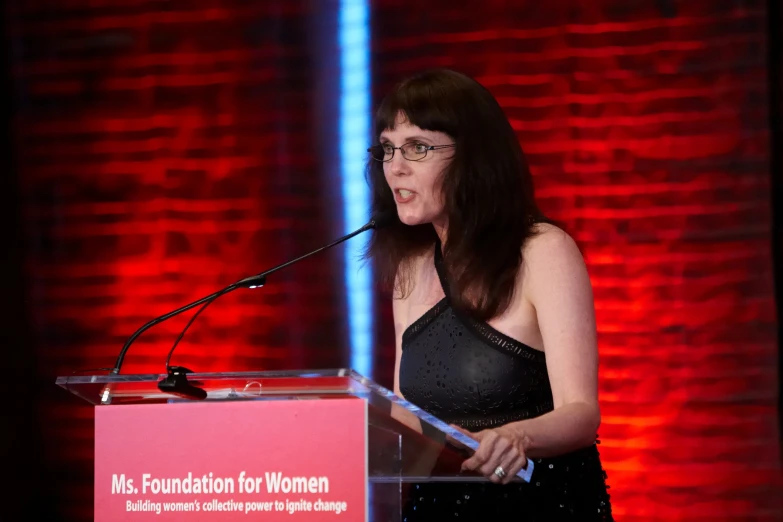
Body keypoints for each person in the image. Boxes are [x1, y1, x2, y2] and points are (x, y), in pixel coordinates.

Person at [364, 69, 613, 521]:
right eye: (387, 148)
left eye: (418, 147)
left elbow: (581, 412)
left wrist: (516, 436)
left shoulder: (542, 251)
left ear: (473, 159)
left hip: (540, 506)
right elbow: (408, 417)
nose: (395, 166)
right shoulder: (411, 267)